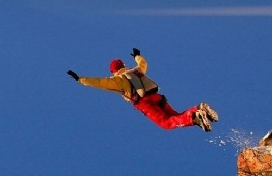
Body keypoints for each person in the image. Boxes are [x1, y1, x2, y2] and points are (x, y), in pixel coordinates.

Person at [67, 48, 218, 132]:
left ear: (113, 71)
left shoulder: (117, 80)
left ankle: (196, 117)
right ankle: (198, 109)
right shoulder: (135, 71)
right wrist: (138, 56)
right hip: (158, 98)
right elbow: (143, 64)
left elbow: (100, 82)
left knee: (166, 123)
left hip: (145, 103)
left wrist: (80, 79)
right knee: (176, 115)